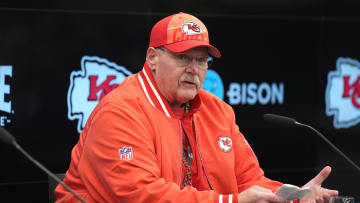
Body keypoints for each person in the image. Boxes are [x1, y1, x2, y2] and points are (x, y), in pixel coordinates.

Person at [55, 12, 338, 203]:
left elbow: (249, 181)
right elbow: (139, 195)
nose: (194, 70)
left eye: (201, 61)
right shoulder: (120, 112)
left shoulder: (218, 111)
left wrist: (294, 196)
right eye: (183, 58)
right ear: (152, 58)